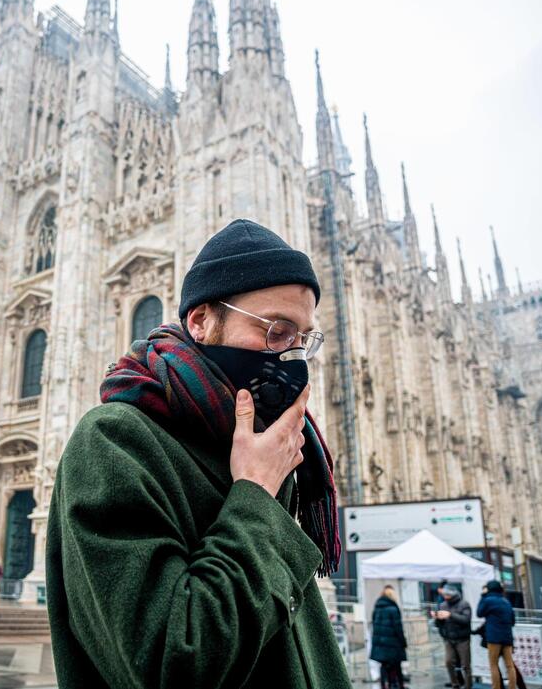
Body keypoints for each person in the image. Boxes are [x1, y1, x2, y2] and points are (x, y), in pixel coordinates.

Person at [46, 219, 348, 688]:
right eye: (276, 331)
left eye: (303, 339)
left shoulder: (261, 445)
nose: (292, 356)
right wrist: (255, 493)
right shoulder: (114, 441)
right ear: (202, 320)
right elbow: (171, 662)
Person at [477, 581, 517, 689]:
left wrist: (483, 595)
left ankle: (496, 687)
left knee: (493, 664)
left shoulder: (487, 600)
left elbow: (479, 613)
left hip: (494, 638)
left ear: (488, 589)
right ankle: (512, 687)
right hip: (507, 637)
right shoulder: (506, 601)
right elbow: (513, 621)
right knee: (509, 665)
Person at [432, 585, 473, 689]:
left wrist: (450, 615)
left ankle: (468, 686)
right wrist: (437, 618)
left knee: (465, 665)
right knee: (448, 662)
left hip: (462, 639)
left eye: (447, 594)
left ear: (453, 594)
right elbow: (438, 624)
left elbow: (466, 620)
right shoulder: (442, 605)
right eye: (444, 594)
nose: (445, 596)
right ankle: (455, 684)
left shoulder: (464, 604)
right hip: (448, 638)